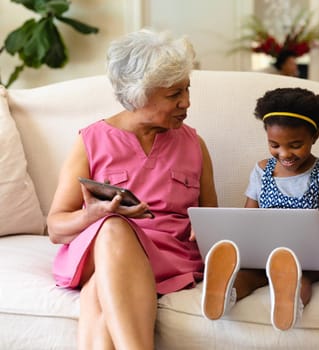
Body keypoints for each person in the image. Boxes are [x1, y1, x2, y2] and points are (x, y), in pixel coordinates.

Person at [46, 29, 218, 350]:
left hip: (168, 259)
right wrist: (93, 215)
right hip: (105, 249)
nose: (186, 102)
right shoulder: (91, 140)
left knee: (98, 297)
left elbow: (212, 223)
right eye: (174, 95)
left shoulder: (195, 144)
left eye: (187, 89)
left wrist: (205, 225)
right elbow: (56, 228)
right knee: (112, 228)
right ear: (139, 95)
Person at [200, 87, 319, 331]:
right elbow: (249, 217)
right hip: (264, 253)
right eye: (274, 144)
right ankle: (225, 293)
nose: (284, 153)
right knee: (248, 275)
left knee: (301, 278)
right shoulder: (261, 171)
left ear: (315, 136)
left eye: (295, 145)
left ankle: (289, 301)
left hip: (306, 256)